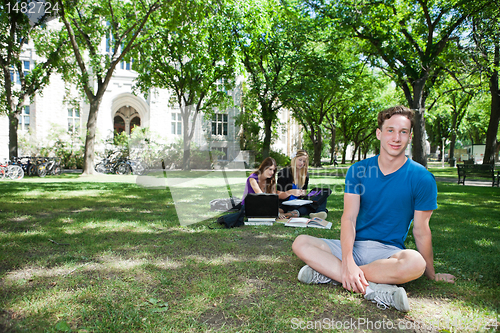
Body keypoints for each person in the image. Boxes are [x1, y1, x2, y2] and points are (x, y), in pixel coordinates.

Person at [291, 105, 455, 313]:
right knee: (301, 242)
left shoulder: (422, 178)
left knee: (416, 263)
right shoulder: (358, 170)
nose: (396, 137)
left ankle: (329, 274)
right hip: (354, 246)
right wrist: (348, 260)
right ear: (379, 133)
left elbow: (421, 230)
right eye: (390, 130)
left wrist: (431, 274)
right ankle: (373, 289)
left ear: (410, 136)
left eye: (403, 132)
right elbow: (349, 218)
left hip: (388, 253)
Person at [277, 149, 329, 219]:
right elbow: (279, 195)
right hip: (286, 204)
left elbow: (304, 192)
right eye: (300, 160)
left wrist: (303, 193)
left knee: (322, 195)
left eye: (304, 161)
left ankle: (318, 212)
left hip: (298, 203)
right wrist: (290, 192)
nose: (301, 163)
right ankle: (315, 211)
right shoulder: (284, 173)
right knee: (306, 208)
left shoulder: (305, 174)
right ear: (294, 159)